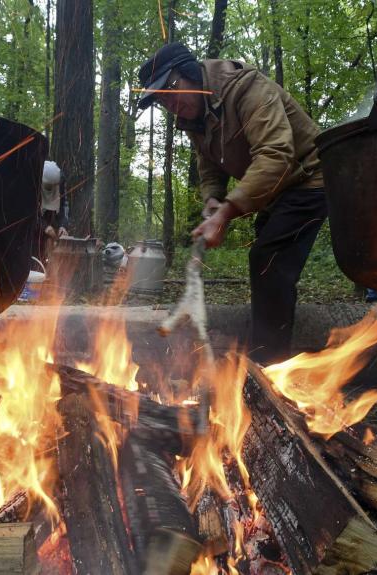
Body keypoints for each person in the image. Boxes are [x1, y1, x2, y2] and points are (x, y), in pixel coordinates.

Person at [137, 42, 328, 364]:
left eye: (172, 90)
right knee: (266, 265)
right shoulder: (195, 117)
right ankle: (269, 347)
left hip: (309, 177)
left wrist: (227, 212)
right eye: (162, 101)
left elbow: (276, 155)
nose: (172, 105)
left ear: (190, 72)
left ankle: (269, 366)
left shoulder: (246, 88)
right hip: (275, 192)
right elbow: (209, 163)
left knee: (269, 259)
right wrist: (212, 197)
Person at [38, 160, 68, 263]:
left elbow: (64, 205)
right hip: (35, 225)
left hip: (53, 217)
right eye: (48, 186)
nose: (50, 188)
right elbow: (29, 213)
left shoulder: (60, 182)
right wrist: (44, 226)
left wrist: (63, 225)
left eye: (53, 186)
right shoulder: (34, 183)